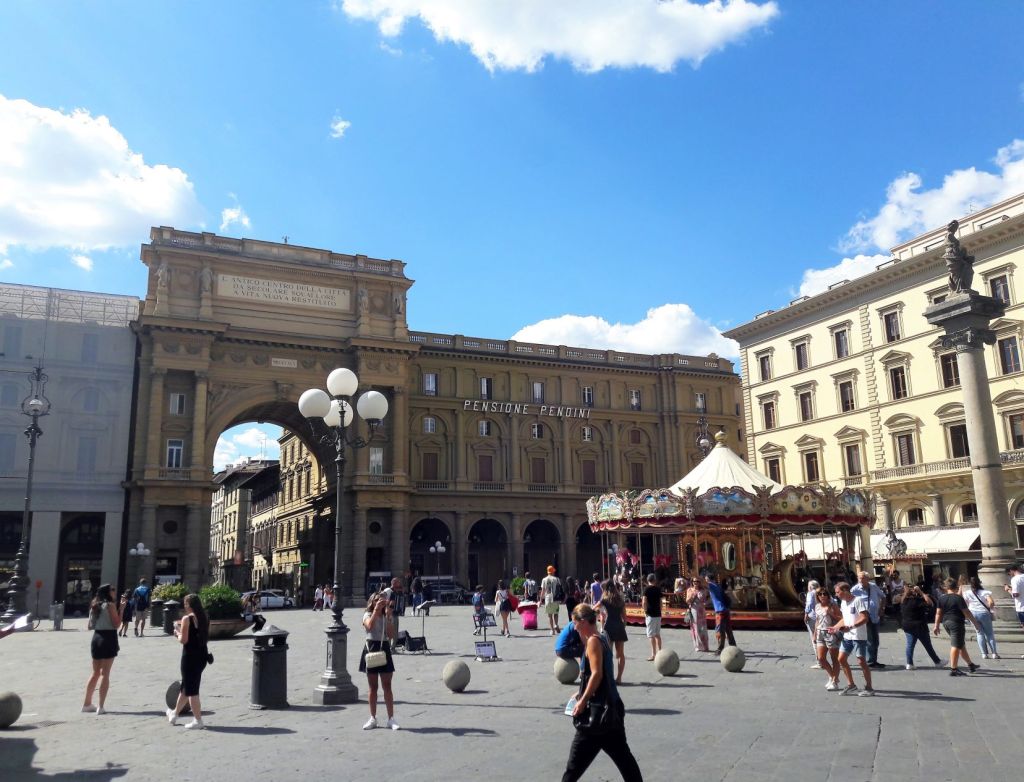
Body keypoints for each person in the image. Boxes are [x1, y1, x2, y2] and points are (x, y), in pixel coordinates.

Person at [561, 603, 643, 782]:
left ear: (583, 622)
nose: (574, 627)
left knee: (573, 768)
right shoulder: (602, 637)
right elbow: (599, 674)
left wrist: (582, 701)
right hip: (611, 709)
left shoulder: (592, 641)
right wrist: (580, 691)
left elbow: (597, 674)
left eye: (575, 623)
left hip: (597, 713)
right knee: (624, 759)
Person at [167, 593, 211, 729]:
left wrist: (177, 632)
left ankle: (198, 720)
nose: (184, 606)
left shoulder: (187, 619)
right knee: (186, 686)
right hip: (202, 654)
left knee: (192, 689)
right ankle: (174, 713)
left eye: (185, 604)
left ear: (189, 605)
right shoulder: (204, 617)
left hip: (190, 656)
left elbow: (184, 640)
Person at [360, 592, 398, 730]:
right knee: (373, 687)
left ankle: (391, 719)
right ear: (372, 602)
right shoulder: (367, 615)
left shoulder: (386, 615)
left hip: (384, 648)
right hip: (371, 648)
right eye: (376, 600)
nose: (380, 603)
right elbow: (369, 626)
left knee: (387, 686)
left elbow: (391, 634)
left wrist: (388, 615)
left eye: (381, 601)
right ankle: (372, 718)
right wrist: (376, 611)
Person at [829, 581, 875, 696]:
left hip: (858, 636)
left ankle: (869, 688)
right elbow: (844, 618)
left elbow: (865, 618)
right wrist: (835, 627)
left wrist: (851, 627)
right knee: (841, 659)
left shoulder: (858, 600)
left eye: (837, 592)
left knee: (861, 661)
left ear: (845, 591)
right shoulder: (843, 603)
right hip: (847, 636)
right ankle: (851, 685)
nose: (836, 595)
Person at [82, 584, 121, 714]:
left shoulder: (94, 605)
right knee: (105, 673)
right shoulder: (110, 605)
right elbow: (116, 624)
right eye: (113, 589)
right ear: (108, 592)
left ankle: (86, 704)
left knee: (95, 672)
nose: (115, 592)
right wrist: (122, 609)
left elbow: (89, 625)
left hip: (96, 637)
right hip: (108, 637)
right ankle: (101, 706)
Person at [934, 577, 981, 676]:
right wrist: (975, 623)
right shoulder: (958, 598)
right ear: (956, 587)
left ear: (946, 587)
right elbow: (966, 612)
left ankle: (970, 665)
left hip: (946, 622)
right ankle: (954, 669)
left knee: (960, 644)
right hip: (956, 622)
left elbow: (938, 613)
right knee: (956, 645)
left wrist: (936, 625)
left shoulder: (941, 598)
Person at [900, 583, 942, 669]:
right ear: (915, 592)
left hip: (907, 625)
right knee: (927, 645)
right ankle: (937, 661)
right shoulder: (917, 601)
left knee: (910, 645)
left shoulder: (904, 600)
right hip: (919, 626)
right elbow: (930, 603)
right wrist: (921, 592)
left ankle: (909, 663)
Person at [851, 571, 886, 668]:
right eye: (859, 578)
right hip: (864, 617)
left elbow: (883, 597)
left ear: (867, 579)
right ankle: (870, 661)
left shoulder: (873, 586)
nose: (861, 580)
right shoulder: (854, 590)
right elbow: (850, 602)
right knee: (869, 639)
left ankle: (873, 659)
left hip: (875, 616)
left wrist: (882, 609)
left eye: (863, 578)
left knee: (875, 640)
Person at [959, 576, 998, 660]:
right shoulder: (985, 592)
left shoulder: (967, 593)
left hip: (973, 613)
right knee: (989, 634)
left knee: (979, 633)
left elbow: (965, 604)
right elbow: (991, 603)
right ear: (979, 583)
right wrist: (989, 609)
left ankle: (984, 654)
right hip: (984, 613)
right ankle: (994, 653)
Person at [599, 579, 628, 684]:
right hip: (619, 627)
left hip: (608, 627)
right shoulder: (620, 599)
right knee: (620, 654)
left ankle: (609, 677)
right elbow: (625, 618)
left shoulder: (605, 599)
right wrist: (622, 626)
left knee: (608, 653)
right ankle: (619, 678)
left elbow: (594, 609)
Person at [812, 588, 841, 690]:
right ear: (818, 596)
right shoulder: (817, 606)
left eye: (825, 594)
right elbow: (817, 620)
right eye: (820, 594)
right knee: (821, 659)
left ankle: (834, 681)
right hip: (820, 632)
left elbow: (841, 618)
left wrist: (831, 613)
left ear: (828, 596)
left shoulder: (833, 606)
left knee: (834, 659)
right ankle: (832, 676)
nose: (822, 596)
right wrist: (814, 633)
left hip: (830, 633)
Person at [706, 572, 736, 654]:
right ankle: (733, 646)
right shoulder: (718, 585)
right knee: (728, 629)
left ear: (708, 579)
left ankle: (720, 648)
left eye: (706, 579)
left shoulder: (711, 585)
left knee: (719, 630)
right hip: (726, 609)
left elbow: (703, 583)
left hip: (720, 611)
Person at [641, 574, 662, 661]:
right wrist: (660, 610)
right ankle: (660, 652)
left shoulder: (646, 589)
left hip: (650, 614)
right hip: (658, 614)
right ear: (654, 580)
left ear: (648, 580)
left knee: (651, 635)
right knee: (657, 634)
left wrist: (645, 611)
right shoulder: (658, 589)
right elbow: (661, 602)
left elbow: (644, 602)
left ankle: (654, 654)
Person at [1004, 564, 1024, 653]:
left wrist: (1008, 589)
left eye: (1009, 573)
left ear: (1011, 570)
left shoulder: (1015, 579)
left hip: (1021, 607)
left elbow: (1016, 594)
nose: (1010, 575)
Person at [685, 577, 709, 652]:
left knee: (703, 629)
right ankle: (697, 646)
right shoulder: (689, 590)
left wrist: (706, 603)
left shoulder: (703, 590)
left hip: (701, 610)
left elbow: (707, 599)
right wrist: (692, 596)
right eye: (694, 581)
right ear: (692, 582)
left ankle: (705, 646)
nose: (696, 583)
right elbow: (687, 601)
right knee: (695, 628)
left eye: (697, 581)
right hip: (694, 610)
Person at [541, 566, 563, 636]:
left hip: (548, 598)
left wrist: (540, 599)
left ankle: (552, 630)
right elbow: (560, 588)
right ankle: (556, 624)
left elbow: (543, 590)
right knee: (556, 613)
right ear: (553, 571)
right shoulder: (557, 579)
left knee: (549, 615)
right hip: (555, 598)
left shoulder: (544, 579)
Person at [803, 580, 821, 665]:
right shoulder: (821, 592)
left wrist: (806, 613)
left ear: (810, 587)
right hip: (822, 616)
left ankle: (819, 660)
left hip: (813, 617)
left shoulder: (810, 593)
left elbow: (809, 604)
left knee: (814, 638)